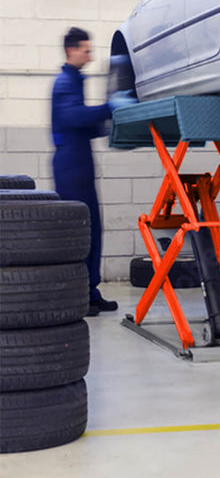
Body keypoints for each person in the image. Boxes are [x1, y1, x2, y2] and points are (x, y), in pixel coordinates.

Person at [51, 27, 131, 316]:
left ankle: (90, 291)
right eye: (86, 49)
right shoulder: (64, 83)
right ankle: (80, 295)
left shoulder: (74, 81)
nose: (90, 55)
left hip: (79, 164)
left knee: (94, 229)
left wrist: (111, 125)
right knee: (81, 232)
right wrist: (109, 107)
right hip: (70, 167)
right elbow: (71, 117)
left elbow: (81, 123)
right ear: (71, 50)